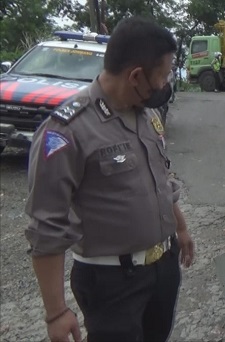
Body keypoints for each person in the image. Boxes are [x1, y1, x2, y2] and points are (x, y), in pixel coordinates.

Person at [24, 16, 195, 342]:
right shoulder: (66, 130)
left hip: (162, 269)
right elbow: (46, 225)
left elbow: (159, 180)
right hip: (112, 282)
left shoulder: (147, 116)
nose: (165, 84)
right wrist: (56, 312)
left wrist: (181, 229)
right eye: (162, 75)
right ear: (135, 76)